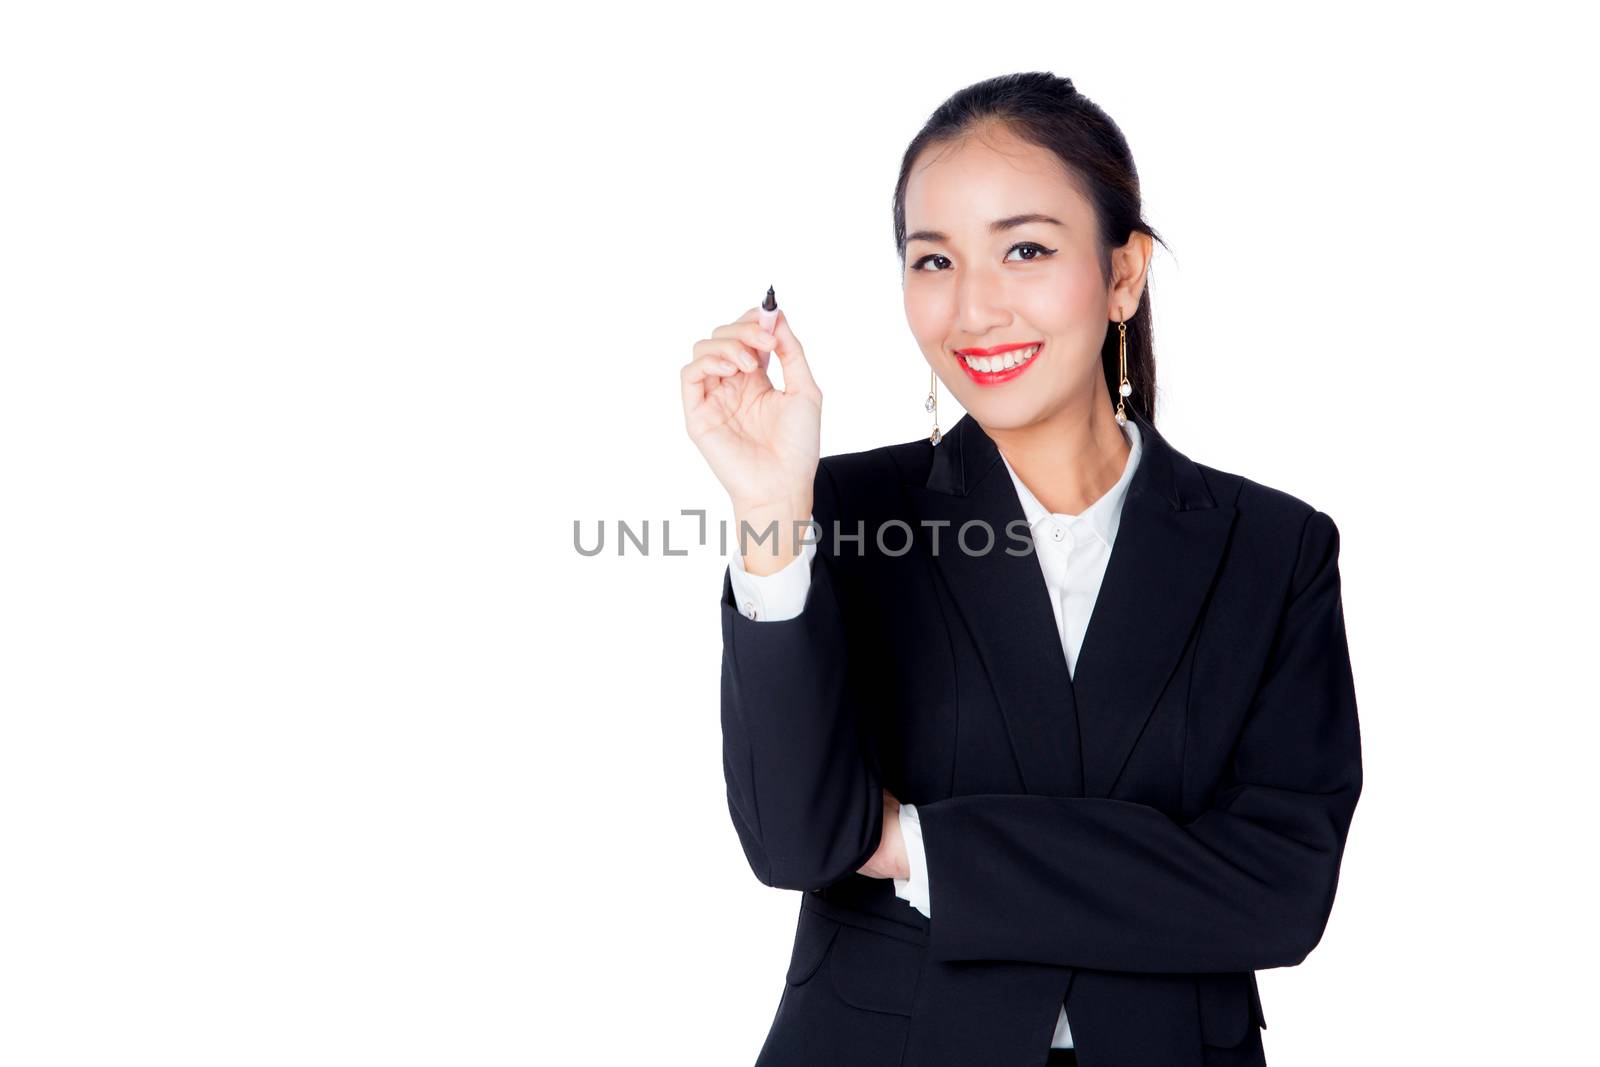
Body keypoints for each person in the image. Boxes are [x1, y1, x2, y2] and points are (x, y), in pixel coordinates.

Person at [681, 72, 1361, 1067]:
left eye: (1026, 250)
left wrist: (917, 845)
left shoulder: (1271, 546)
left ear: (1121, 275)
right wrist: (772, 511)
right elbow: (797, 840)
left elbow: (1279, 889)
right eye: (933, 260)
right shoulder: (843, 514)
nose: (973, 308)